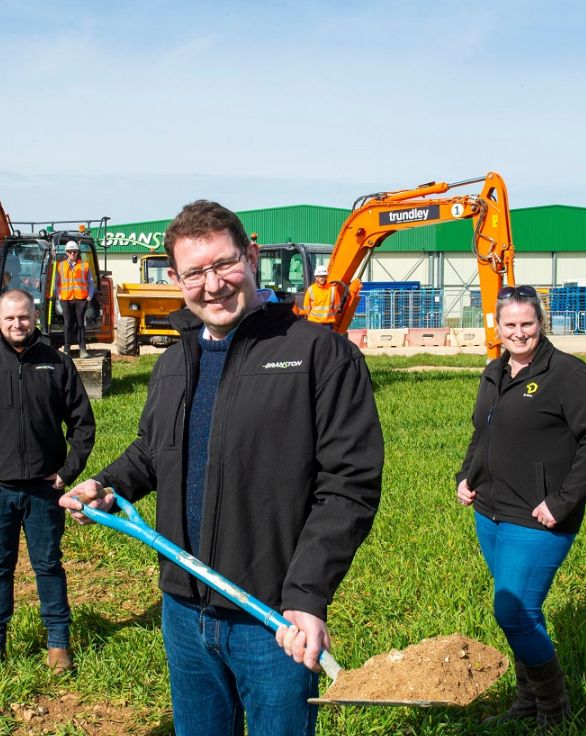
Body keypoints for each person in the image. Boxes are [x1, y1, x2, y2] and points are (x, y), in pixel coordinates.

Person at [61, 200, 383, 736]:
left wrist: (306, 596)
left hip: (271, 618)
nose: (212, 284)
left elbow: (348, 486)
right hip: (185, 613)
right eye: (195, 272)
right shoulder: (174, 361)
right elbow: (151, 450)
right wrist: (109, 484)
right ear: (176, 278)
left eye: (223, 265)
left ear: (251, 257)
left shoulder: (318, 354)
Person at [456, 285, 586, 727]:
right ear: (498, 326)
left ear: (540, 323)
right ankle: (528, 702)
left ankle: (554, 710)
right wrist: (466, 476)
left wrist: (562, 501)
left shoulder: (568, 374)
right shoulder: (494, 371)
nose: (519, 332)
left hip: (540, 518)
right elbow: (482, 431)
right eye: (510, 324)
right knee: (519, 612)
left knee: (513, 610)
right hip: (489, 512)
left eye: (527, 323)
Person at [0, 289, 95, 678]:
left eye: (24, 317)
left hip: (45, 491)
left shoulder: (57, 363)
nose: (17, 324)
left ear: (35, 317)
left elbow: (82, 424)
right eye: (10, 318)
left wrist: (67, 471)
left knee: (48, 565)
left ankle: (58, 643)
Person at [55, 240, 94, 358]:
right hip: (66, 299)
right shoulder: (60, 265)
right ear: (66, 253)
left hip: (81, 299)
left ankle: (82, 350)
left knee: (81, 324)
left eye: (75, 252)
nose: (72, 253)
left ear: (77, 253)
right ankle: (67, 349)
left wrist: (89, 296)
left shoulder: (85, 265)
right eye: (70, 251)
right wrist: (59, 295)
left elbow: (91, 283)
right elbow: (56, 283)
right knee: (67, 324)